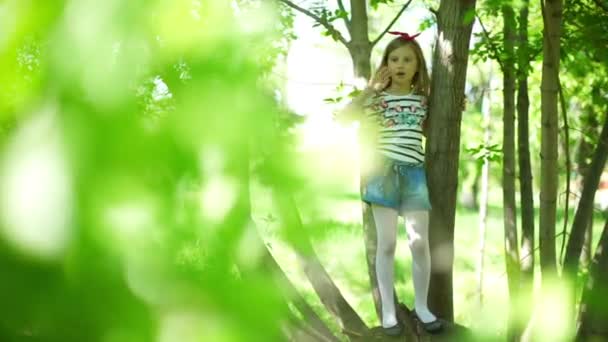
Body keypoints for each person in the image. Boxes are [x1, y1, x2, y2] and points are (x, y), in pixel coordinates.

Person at [336, 31, 442, 336]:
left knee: (419, 242)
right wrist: (369, 90)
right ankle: (388, 313)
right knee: (387, 244)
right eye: (394, 59)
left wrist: (457, 104)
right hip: (382, 175)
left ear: (417, 66)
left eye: (407, 59)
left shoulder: (423, 100)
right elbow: (343, 118)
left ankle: (422, 307)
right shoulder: (377, 100)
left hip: (413, 175)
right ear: (386, 65)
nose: (400, 64)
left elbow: (440, 122)